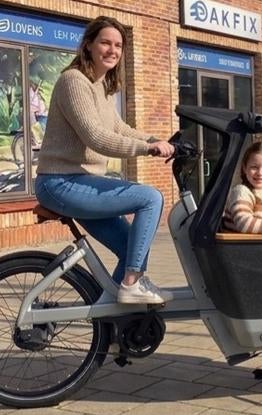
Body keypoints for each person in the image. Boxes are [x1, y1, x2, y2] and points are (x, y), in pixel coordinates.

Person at [34, 16, 175, 305]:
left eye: (118, 45)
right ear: (88, 46)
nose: (113, 50)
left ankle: (111, 326)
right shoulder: (73, 81)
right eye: (105, 43)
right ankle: (132, 283)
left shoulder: (100, 86)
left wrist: (156, 140)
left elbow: (118, 128)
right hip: (60, 182)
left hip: (82, 183)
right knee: (150, 198)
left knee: (132, 245)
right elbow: (96, 137)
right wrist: (147, 150)